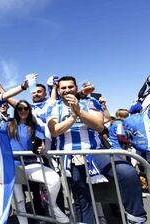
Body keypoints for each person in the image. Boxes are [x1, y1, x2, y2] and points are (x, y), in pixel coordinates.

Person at [47, 76, 147, 223]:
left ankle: (136, 218)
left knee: (128, 173)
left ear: (76, 88)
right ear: (59, 90)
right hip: (70, 156)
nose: (67, 90)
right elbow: (55, 131)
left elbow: (99, 126)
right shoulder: (53, 107)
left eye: (70, 87)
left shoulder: (90, 101)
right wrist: (72, 117)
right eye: (63, 88)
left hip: (95, 153)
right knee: (82, 199)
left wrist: (79, 110)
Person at [0, 100, 69, 223]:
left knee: (54, 178)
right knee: (20, 201)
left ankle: (53, 206)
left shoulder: (34, 126)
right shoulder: (7, 124)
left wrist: (41, 147)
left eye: (26, 108)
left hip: (30, 164)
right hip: (11, 166)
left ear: (29, 110)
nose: (23, 111)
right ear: (15, 110)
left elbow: (39, 144)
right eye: (20, 108)